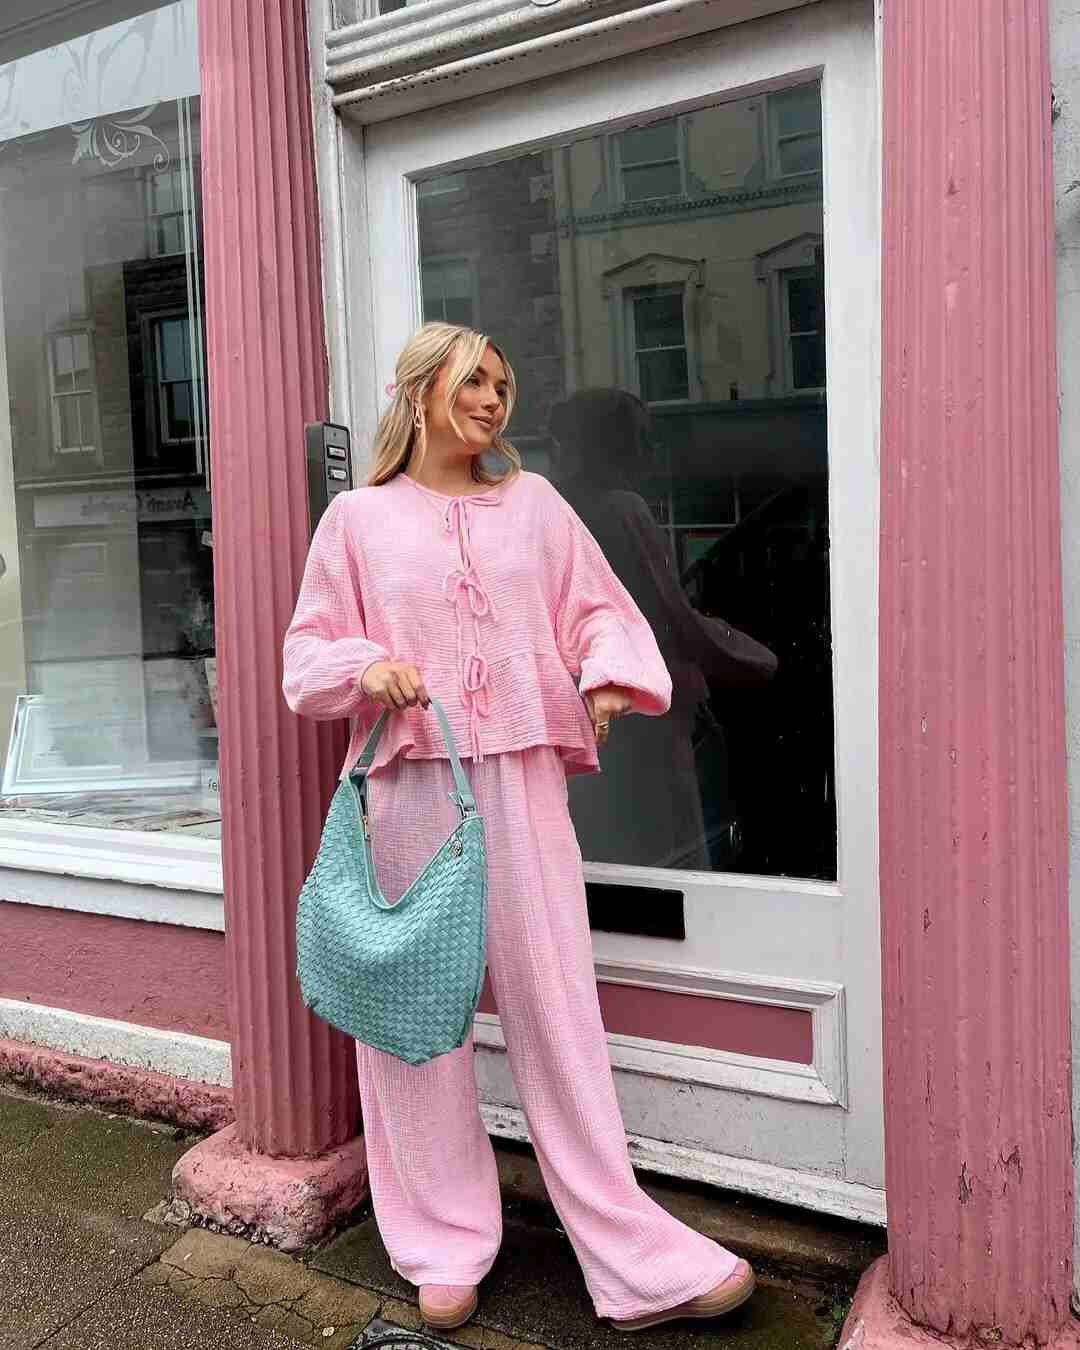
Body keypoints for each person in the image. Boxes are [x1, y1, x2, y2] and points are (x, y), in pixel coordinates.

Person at [281, 322, 754, 1334]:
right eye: (473, 380)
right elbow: (306, 654)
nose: (493, 399)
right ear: (418, 392)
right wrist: (366, 666)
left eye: (502, 383)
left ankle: (630, 1256)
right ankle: (440, 1240)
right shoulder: (357, 521)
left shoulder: (536, 505)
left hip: (527, 780)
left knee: (557, 1008)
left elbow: (600, 610)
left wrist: (608, 674)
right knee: (414, 1015)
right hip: (412, 784)